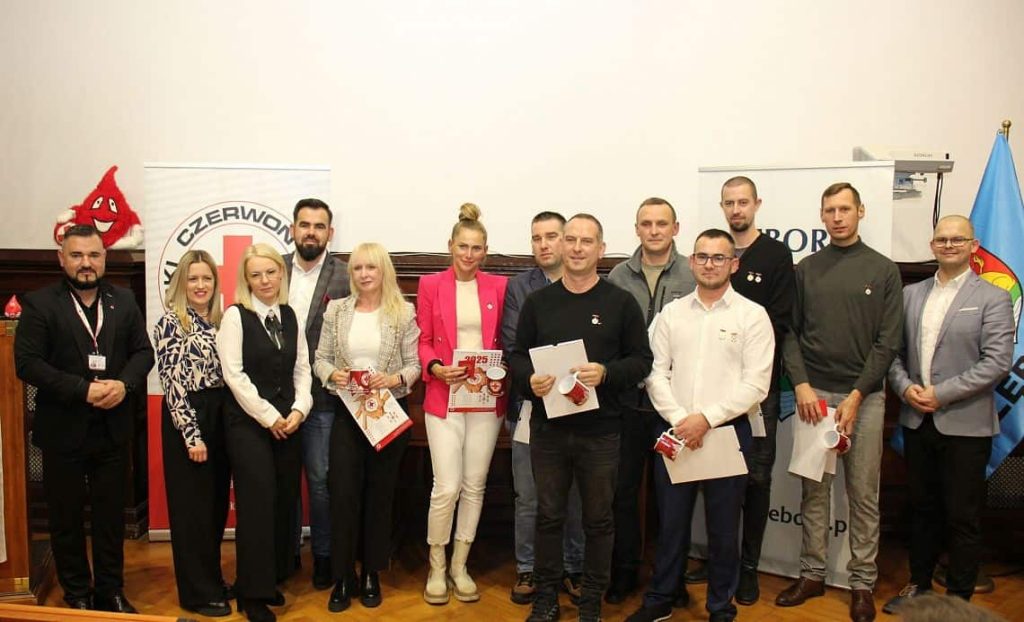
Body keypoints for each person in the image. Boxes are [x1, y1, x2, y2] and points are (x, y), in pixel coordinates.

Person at [625, 228, 774, 622]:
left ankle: (720, 607)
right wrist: (681, 420)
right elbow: (654, 372)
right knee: (671, 524)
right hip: (676, 432)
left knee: (724, 530)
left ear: (734, 264)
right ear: (691, 262)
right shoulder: (672, 314)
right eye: (703, 257)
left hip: (728, 432)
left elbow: (756, 384)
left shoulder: (752, 316)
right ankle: (661, 599)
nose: (710, 265)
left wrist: (706, 419)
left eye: (719, 257)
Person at [511, 214, 653, 622]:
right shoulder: (538, 303)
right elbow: (517, 357)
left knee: (598, 520)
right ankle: (546, 599)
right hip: (549, 431)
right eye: (570, 239)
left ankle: (590, 602)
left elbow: (642, 361)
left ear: (601, 250)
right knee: (549, 517)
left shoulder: (620, 303)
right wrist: (529, 379)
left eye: (586, 241)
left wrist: (606, 373)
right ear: (561, 245)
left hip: (601, 432)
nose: (576, 248)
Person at [776, 182, 903, 622]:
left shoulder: (884, 270)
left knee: (863, 495)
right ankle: (811, 574)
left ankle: (862, 583)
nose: (837, 217)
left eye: (844, 209)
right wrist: (802, 385)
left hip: (864, 399)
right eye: (829, 210)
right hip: (814, 397)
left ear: (860, 212)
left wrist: (857, 394)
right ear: (822, 215)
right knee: (814, 491)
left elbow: (888, 342)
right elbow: (789, 333)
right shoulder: (807, 269)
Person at [14, 224, 153, 613]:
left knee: (110, 518)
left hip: (113, 428)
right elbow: (27, 363)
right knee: (66, 517)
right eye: (77, 255)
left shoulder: (123, 300)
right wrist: (82, 390)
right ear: (62, 259)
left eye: (93, 255)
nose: (86, 263)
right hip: (63, 429)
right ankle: (76, 592)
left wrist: (124, 385)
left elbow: (143, 353)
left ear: (104, 258)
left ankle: (110, 590)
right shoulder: (41, 304)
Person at [884, 216, 1013, 612]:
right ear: (932, 245)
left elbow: (997, 362)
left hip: (966, 425)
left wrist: (941, 394)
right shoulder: (910, 294)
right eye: (942, 239)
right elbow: (893, 353)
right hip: (917, 419)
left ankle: (959, 600)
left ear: (974, 246)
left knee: (962, 516)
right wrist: (905, 388)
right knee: (921, 510)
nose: (949, 245)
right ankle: (919, 585)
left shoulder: (993, 297)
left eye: (958, 239)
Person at [313, 242, 420, 612]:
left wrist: (393, 380)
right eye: (357, 268)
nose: (364, 274)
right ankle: (343, 575)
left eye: (371, 267)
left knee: (380, 495)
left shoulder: (403, 312)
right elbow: (320, 359)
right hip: (347, 413)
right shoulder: (336, 310)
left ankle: (372, 571)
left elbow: (414, 366)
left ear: (383, 270)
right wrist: (334, 375)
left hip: (387, 414)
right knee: (342, 494)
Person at [417, 203, 508, 605]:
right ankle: (436, 564)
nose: (469, 255)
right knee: (446, 486)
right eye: (462, 246)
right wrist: (435, 367)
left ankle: (460, 564)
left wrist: (500, 371)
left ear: (485, 251)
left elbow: (506, 340)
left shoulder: (499, 287)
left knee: (474, 484)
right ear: (450, 246)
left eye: (476, 248)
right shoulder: (430, 284)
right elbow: (422, 341)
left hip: (485, 399)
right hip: (444, 397)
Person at [606, 197, 695, 605]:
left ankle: (671, 578)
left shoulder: (692, 273)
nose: (654, 230)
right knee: (621, 493)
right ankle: (625, 571)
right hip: (625, 405)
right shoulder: (617, 276)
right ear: (637, 229)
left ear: (675, 228)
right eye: (646, 224)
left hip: (673, 407)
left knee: (672, 497)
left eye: (662, 223)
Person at [217, 243, 312, 622]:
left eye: (270, 272)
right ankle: (251, 595)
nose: (265, 280)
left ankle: (266, 579)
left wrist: (299, 409)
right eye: (256, 274)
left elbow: (302, 369)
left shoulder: (290, 315)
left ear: (280, 273)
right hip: (249, 425)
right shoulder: (235, 316)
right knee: (256, 506)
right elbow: (234, 376)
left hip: (289, 423)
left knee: (282, 502)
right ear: (246, 279)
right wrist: (270, 416)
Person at [501, 211, 585, 605]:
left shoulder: (586, 285)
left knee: (574, 494)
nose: (544, 244)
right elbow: (514, 344)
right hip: (529, 404)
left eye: (552, 236)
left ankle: (573, 565)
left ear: (567, 240)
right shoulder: (520, 287)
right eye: (537, 238)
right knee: (529, 495)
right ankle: (527, 567)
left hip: (578, 404)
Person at [718, 176, 795, 604]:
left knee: (756, 478)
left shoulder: (775, 255)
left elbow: (780, 321)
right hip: (714, 389)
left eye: (743, 202)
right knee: (716, 474)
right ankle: (720, 560)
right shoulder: (716, 252)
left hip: (759, 390)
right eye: (729, 203)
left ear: (756, 204)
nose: (736, 210)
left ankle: (748, 567)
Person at [152, 250, 232, 617]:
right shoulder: (171, 322)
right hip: (190, 417)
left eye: (207, 278)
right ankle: (197, 593)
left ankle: (211, 580)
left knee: (214, 507)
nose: (201, 285)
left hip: (220, 413)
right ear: (181, 283)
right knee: (192, 511)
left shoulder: (220, 321)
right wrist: (191, 434)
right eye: (193, 278)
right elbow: (172, 384)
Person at [283, 198, 350, 590]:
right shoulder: (272, 269)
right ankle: (286, 552)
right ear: (293, 229)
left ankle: (323, 555)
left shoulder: (344, 276)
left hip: (323, 398)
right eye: (305, 225)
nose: (311, 232)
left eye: (319, 226)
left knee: (321, 481)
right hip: (276, 399)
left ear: (330, 233)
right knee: (282, 480)